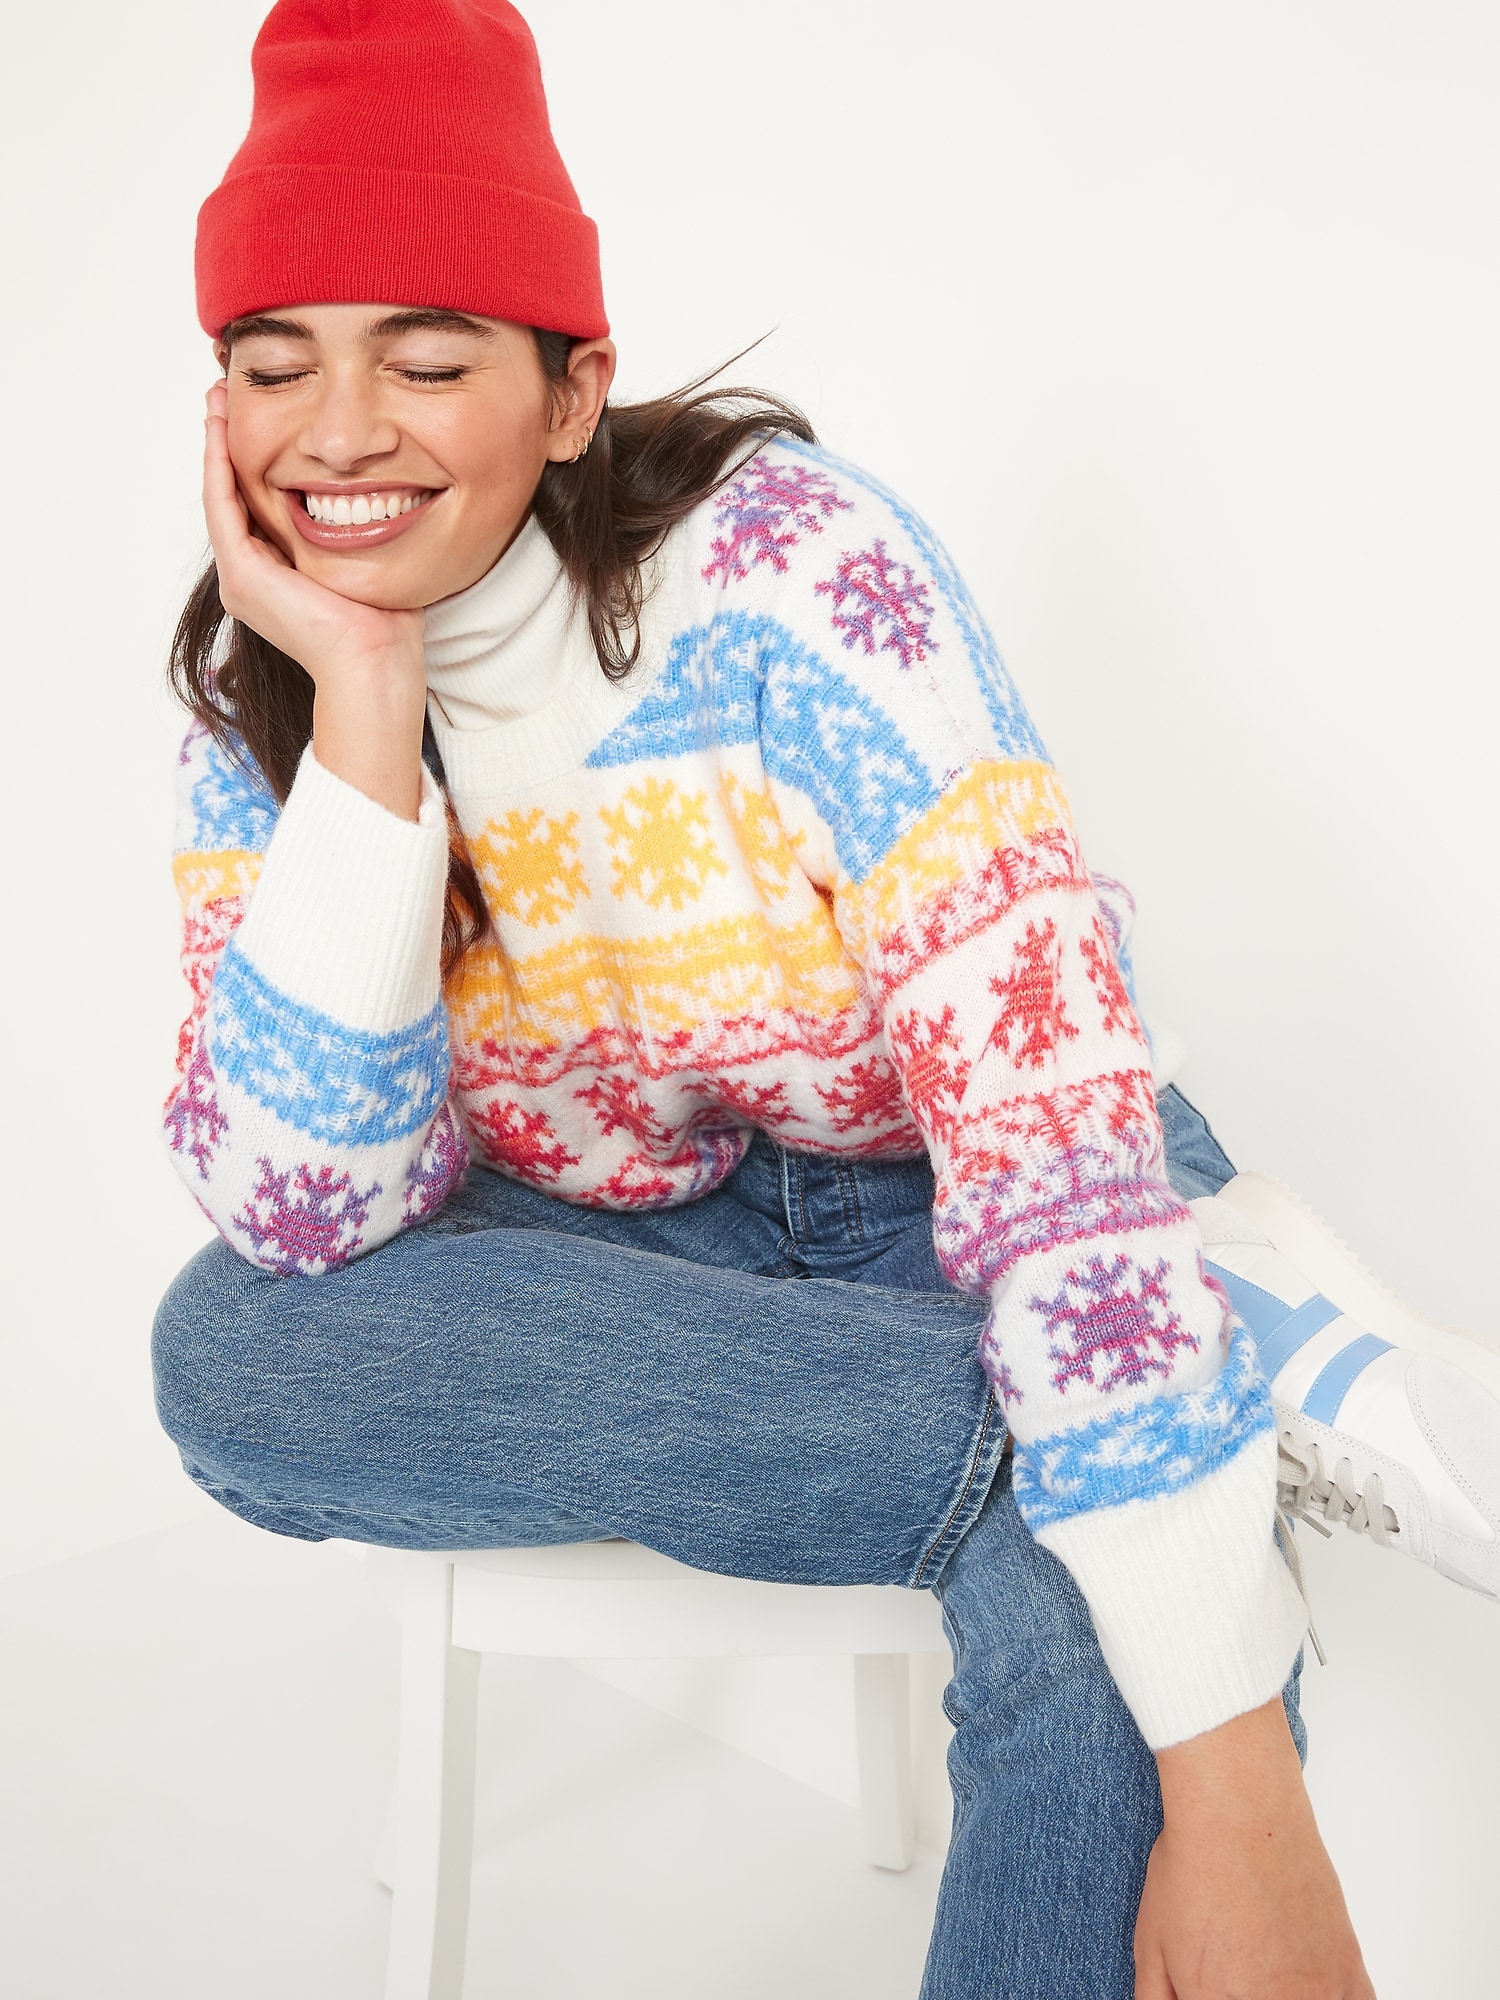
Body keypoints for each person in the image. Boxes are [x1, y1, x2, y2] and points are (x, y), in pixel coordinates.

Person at [151, 2, 1499, 1993]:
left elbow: (1037, 1113)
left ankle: (1126, 1375)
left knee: (1086, 1591)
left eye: (426, 361)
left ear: (573, 388)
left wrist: (1240, 1794)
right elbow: (305, 1219)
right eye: (275, 365)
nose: (338, 433)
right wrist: (360, 708)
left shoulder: (799, 582)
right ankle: (1177, 1376)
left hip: (965, 1173)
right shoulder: (267, 692)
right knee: (232, 1349)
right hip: (620, 1239)